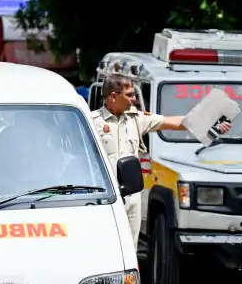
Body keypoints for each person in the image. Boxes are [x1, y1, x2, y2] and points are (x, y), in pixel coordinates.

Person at [90, 73, 231, 246]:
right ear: (113, 96)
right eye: (129, 95)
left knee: (129, 249)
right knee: (104, 247)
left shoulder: (136, 119)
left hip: (132, 199)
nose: (134, 99)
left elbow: (177, 123)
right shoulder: (91, 122)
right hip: (105, 199)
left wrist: (212, 124)